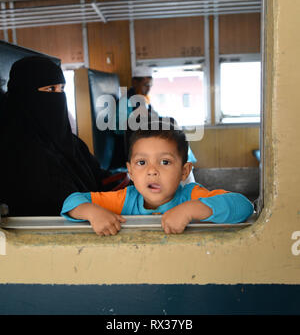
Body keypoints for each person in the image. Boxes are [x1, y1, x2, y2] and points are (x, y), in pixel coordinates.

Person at [61, 121, 254, 235]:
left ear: (184, 171)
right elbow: (72, 201)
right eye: (142, 163)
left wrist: (191, 210)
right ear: (130, 171)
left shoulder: (191, 195)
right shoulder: (124, 199)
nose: (152, 171)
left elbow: (243, 206)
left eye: (165, 162)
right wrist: (93, 213)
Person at [0, 56, 115, 217]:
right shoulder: (18, 152)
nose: (58, 96)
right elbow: (60, 197)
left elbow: (100, 178)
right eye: (50, 90)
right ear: (24, 94)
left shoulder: (71, 142)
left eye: (61, 89)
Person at [114, 66, 197, 180]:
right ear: (134, 82)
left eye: (150, 85)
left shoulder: (144, 100)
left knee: (175, 136)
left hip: (149, 141)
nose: (148, 89)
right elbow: (118, 128)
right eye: (145, 85)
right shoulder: (125, 101)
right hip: (135, 145)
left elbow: (153, 117)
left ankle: (183, 168)